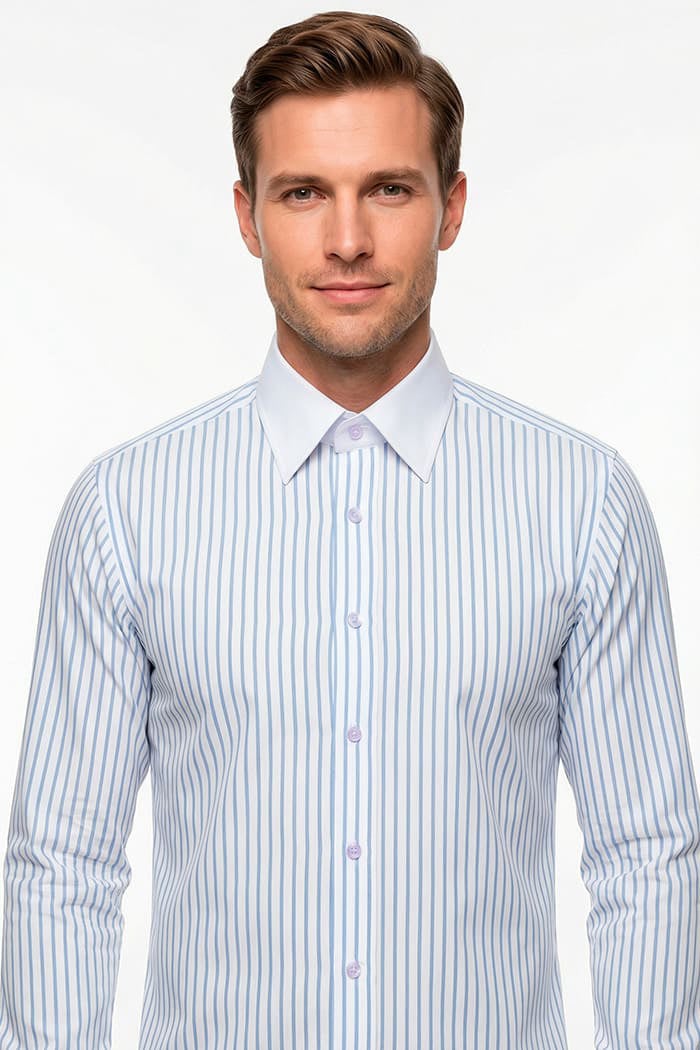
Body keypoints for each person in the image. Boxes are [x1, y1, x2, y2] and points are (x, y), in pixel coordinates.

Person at [0, 9, 698, 1049]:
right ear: (247, 216)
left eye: (389, 188)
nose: (347, 240)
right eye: (302, 193)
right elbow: (64, 868)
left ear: (452, 206)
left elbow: (646, 858)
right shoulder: (126, 512)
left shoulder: (582, 503)